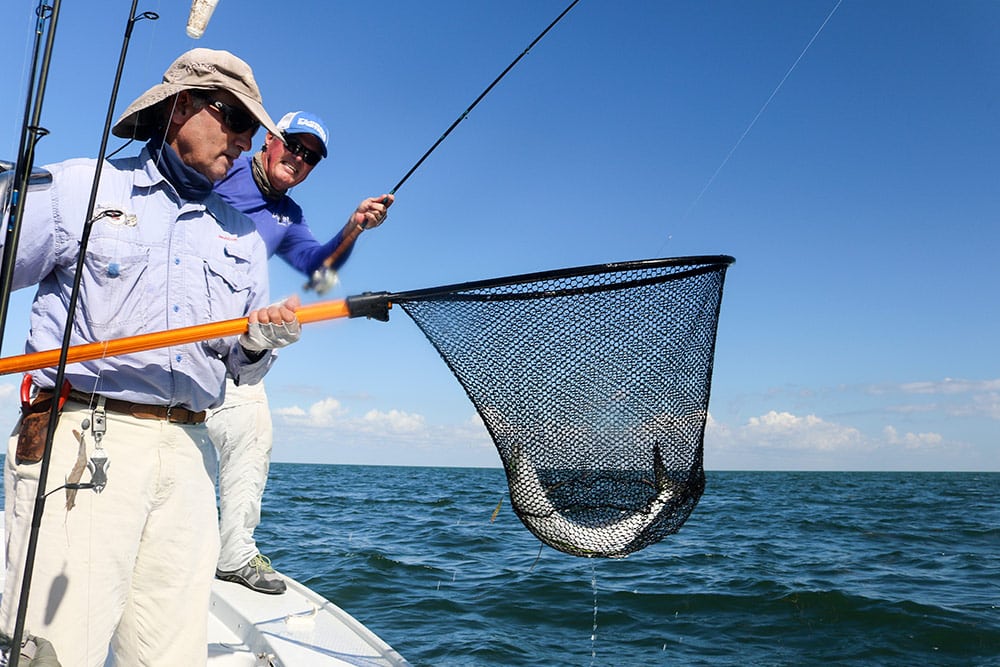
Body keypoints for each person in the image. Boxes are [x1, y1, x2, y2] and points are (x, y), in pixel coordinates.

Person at [0, 48, 302, 666]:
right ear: (181, 107)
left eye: (252, 130)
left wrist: (257, 342)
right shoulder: (78, 189)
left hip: (190, 456)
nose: (245, 141)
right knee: (52, 651)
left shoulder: (242, 238)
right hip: (79, 439)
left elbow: (240, 369)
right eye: (235, 120)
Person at [208, 110, 392, 594]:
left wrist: (354, 228)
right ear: (269, 140)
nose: (299, 158)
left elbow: (319, 275)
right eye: (294, 145)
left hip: (239, 351)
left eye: (311, 157)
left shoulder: (289, 216)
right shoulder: (218, 169)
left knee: (253, 438)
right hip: (179, 340)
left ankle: (235, 556)